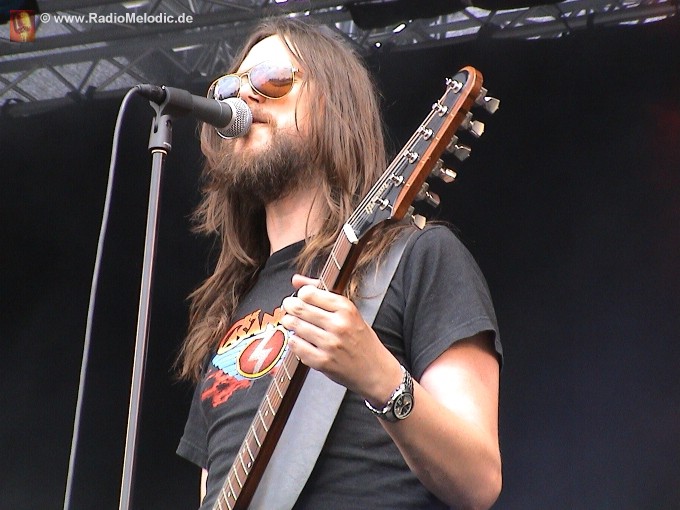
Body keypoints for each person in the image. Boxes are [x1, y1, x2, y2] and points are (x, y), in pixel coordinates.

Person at [176, 16, 503, 510]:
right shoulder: (229, 306)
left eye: (271, 78)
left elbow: (479, 480)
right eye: (230, 86)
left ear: (333, 106)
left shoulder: (417, 258)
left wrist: (379, 376)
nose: (243, 97)